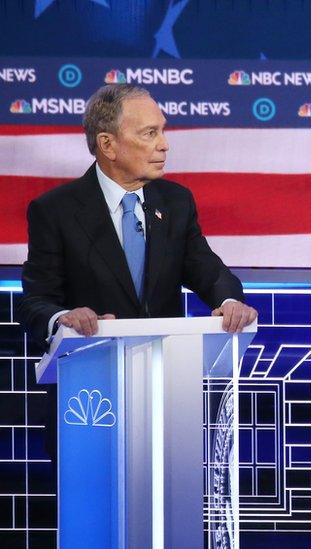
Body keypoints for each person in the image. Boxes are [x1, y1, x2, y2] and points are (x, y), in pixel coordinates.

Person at [17, 84, 257, 466]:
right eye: (149, 133)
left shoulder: (175, 202)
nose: (164, 144)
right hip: (87, 402)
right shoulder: (55, 211)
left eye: (162, 131)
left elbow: (207, 270)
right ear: (108, 144)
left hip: (164, 397)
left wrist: (229, 301)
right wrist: (62, 318)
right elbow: (34, 301)